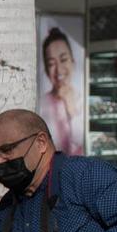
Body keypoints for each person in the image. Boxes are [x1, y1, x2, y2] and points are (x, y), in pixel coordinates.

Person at [39, 28, 84, 158]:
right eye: (52, 63)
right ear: (47, 70)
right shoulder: (41, 104)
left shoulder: (83, 100)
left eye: (63, 60)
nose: (59, 69)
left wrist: (71, 108)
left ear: (73, 62)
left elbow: (81, 141)